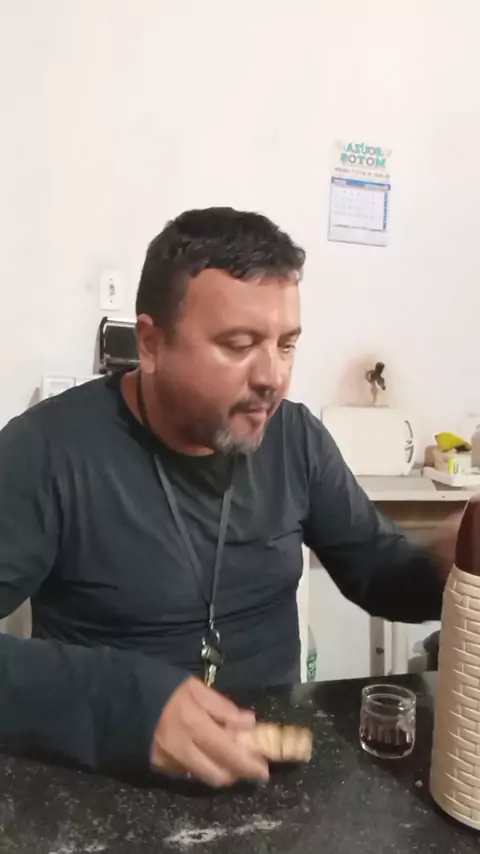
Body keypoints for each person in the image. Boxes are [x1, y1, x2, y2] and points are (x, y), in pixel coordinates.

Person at [0, 208, 458, 788]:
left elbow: (378, 571)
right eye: (239, 344)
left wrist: (449, 564)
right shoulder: (46, 451)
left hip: (273, 778)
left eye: (286, 345)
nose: (273, 377)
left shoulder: (296, 439)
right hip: (108, 782)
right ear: (151, 344)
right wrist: (123, 706)